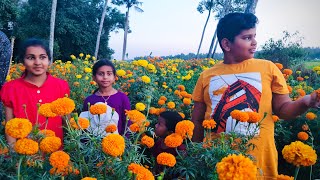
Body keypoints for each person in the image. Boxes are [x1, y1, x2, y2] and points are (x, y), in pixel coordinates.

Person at [191, 12, 320, 180]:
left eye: (254, 36)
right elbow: (197, 120)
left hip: (259, 160)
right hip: (215, 160)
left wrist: (306, 101)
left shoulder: (268, 68)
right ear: (226, 44)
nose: (254, 42)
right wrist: (193, 152)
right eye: (246, 38)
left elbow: (283, 110)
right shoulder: (206, 76)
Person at [0, 38, 70, 146]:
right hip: (23, 156)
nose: (37, 62)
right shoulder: (10, 88)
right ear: (23, 61)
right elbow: (10, 126)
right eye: (31, 57)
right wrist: (14, 153)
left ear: (48, 60)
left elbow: (67, 124)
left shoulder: (61, 86)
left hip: (54, 150)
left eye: (42, 57)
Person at [81, 59, 130, 136]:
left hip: (117, 143)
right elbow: (85, 125)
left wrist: (125, 143)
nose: (105, 77)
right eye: (101, 74)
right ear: (94, 77)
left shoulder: (122, 98)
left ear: (114, 77)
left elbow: (127, 124)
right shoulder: (89, 100)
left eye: (109, 74)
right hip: (93, 144)